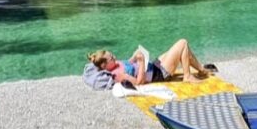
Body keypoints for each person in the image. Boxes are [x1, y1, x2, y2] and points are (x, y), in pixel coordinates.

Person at [83, 40, 217, 90]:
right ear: (105, 65)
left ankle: (201, 70)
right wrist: (141, 63)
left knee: (183, 51)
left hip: (154, 66)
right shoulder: (118, 75)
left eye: (112, 54)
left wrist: (135, 57)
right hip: (159, 75)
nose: (114, 57)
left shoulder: (116, 64)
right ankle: (187, 76)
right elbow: (138, 82)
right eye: (111, 57)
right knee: (182, 44)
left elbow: (130, 64)